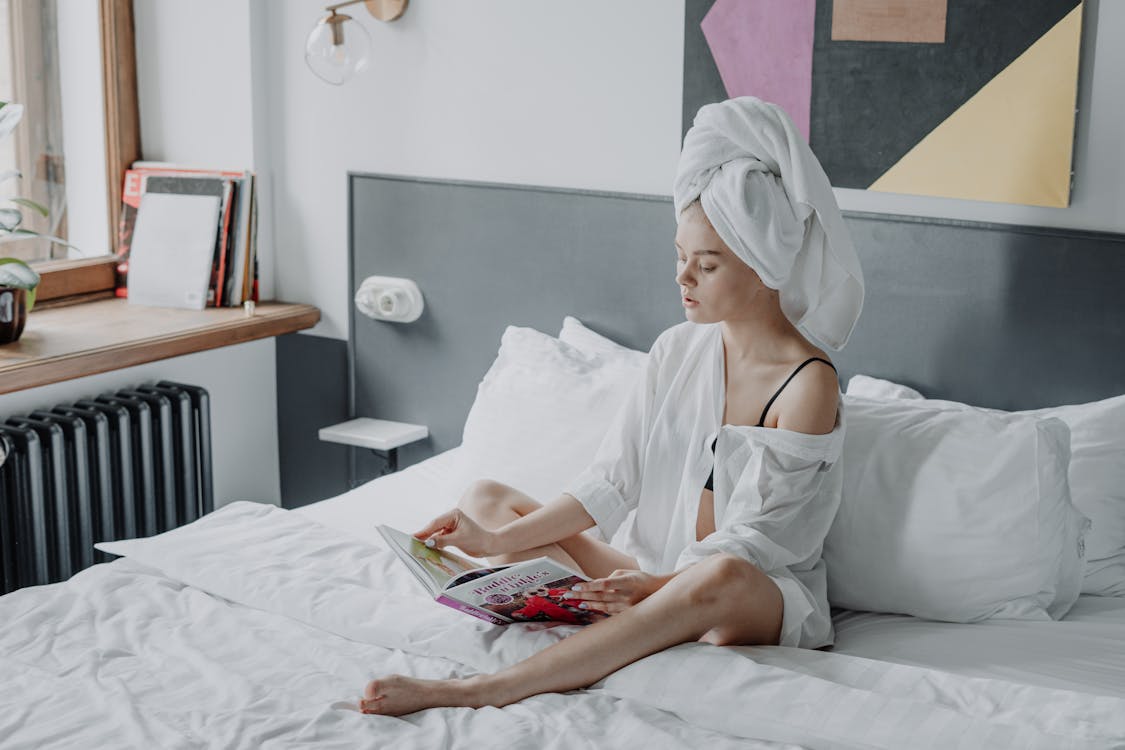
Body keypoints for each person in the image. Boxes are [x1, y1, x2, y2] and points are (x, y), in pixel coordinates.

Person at [360, 97, 865, 716]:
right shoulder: (676, 350)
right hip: (651, 574)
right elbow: (610, 483)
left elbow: (754, 545)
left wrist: (653, 587)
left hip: (753, 595)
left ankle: (482, 688)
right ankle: (630, 626)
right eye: (680, 258)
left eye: (706, 265)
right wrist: (497, 540)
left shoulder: (808, 382)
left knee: (721, 575)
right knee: (488, 496)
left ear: (763, 266)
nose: (683, 279)